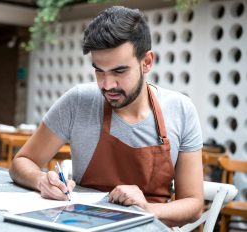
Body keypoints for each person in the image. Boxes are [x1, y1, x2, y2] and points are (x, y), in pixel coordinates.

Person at [10, 6, 203, 227]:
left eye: (119, 71)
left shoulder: (181, 110)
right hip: (81, 225)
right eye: (99, 70)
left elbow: (194, 204)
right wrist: (41, 180)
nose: (107, 84)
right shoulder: (78, 101)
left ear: (147, 62)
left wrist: (148, 209)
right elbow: (22, 162)